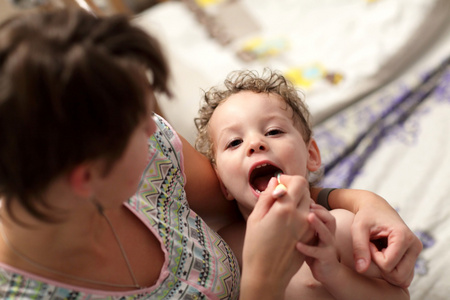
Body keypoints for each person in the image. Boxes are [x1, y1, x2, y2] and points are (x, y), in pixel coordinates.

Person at [0, 8, 419, 300]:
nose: (156, 129)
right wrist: (261, 282)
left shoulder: (156, 156)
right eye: (137, 123)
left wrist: (363, 202)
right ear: (86, 177)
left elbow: (258, 191)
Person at [194, 69, 413, 299]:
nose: (255, 143)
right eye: (235, 142)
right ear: (223, 184)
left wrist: (333, 274)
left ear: (311, 155)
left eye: (273, 131)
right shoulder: (225, 247)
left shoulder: (340, 228)